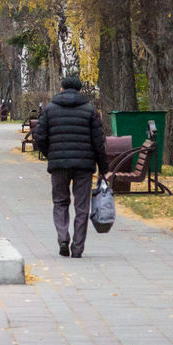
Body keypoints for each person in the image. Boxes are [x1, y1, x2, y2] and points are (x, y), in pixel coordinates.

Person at [33, 75, 109, 259]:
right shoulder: (89, 111)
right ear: (80, 90)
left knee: (60, 202)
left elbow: (40, 136)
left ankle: (63, 238)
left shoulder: (50, 109)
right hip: (84, 165)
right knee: (82, 206)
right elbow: (99, 142)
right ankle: (77, 247)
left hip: (58, 164)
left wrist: (49, 153)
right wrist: (103, 167)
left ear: (61, 89)